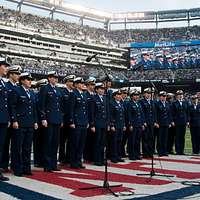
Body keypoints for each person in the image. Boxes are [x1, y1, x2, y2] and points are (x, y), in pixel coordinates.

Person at [10, 72, 38, 176]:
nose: (30, 81)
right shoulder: (16, 90)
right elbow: (12, 106)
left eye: (30, 80)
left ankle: (26, 168)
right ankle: (17, 168)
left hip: (30, 123)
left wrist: (35, 121)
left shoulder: (31, 92)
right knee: (18, 147)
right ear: (22, 80)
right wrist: (14, 120)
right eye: (28, 79)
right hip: (20, 123)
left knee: (27, 147)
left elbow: (34, 108)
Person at [38, 71, 63, 172]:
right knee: (47, 142)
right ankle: (47, 165)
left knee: (55, 143)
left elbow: (59, 106)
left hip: (56, 119)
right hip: (48, 119)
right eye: (53, 77)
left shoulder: (58, 89)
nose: (55, 79)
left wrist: (60, 119)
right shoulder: (45, 88)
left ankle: (53, 164)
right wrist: (43, 118)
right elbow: (41, 105)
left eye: (56, 78)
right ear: (49, 78)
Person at [0, 65, 21, 172]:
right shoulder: (6, 86)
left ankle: (13, 164)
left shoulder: (17, 88)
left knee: (15, 144)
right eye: (16, 74)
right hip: (6, 118)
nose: (18, 76)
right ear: (11, 74)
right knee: (4, 144)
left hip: (14, 119)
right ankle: (3, 165)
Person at [68, 77, 88, 169]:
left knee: (81, 143)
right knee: (75, 143)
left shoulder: (83, 94)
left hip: (83, 121)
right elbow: (71, 109)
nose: (82, 84)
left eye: (82, 83)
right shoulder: (73, 94)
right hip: (76, 122)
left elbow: (85, 110)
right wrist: (71, 121)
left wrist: (87, 121)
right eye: (80, 83)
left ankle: (79, 160)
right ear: (76, 85)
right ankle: (73, 161)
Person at [59, 75, 76, 165]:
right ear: (67, 82)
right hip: (64, 120)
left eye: (73, 82)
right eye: (71, 81)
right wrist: (61, 120)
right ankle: (62, 158)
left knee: (71, 140)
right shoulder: (62, 92)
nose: (73, 83)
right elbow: (61, 108)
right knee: (62, 141)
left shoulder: (73, 93)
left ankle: (69, 158)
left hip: (71, 120)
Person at [92, 83, 109, 166]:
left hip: (104, 124)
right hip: (97, 123)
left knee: (103, 143)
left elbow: (107, 112)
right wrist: (93, 125)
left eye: (103, 89)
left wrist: (108, 123)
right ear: (96, 90)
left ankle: (102, 159)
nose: (102, 90)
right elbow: (92, 113)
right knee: (97, 142)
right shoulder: (94, 98)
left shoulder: (105, 99)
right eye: (100, 89)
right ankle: (97, 159)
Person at [140, 88, 158, 158]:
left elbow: (154, 113)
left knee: (151, 138)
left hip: (151, 123)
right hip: (146, 123)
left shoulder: (152, 102)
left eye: (150, 93)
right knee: (145, 138)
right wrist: (143, 122)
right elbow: (142, 113)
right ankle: (145, 153)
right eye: (147, 93)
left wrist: (155, 121)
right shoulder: (142, 102)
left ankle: (150, 152)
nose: (149, 95)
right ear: (144, 94)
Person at [127, 90, 145, 160]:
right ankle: (132, 155)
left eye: (137, 95)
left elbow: (142, 114)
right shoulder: (130, 104)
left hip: (139, 124)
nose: (136, 96)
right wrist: (130, 124)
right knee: (132, 140)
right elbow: (129, 115)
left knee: (137, 140)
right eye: (135, 95)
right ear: (131, 97)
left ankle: (137, 154)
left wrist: (142, 123)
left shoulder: (139, 104)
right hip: (133, 125)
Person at [0, 57, 10, 181]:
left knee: (1, 145)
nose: (6, 68)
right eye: (4, 66)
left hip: (2, 119)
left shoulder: (2, 82)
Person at [109, 90, 126, 163]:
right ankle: (113, 156)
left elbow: (123, 115)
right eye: (117, 95)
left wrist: (124, 124)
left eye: (120, 95)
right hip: (115, 125)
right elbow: (111, 115)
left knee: (120, 141)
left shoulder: (121, 103)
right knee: (114, 142)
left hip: (121, 125)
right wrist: (112, 125)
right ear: (114, 96)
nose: (119, 96)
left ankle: (119, 156)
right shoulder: (112, 103)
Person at [172, 90, 189, 155]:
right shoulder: (174, 103)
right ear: (177, 96)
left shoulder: (186, 102)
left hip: (184, 122)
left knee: (182, 137)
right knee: (177, 136)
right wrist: (173, 121)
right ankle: (177, 150)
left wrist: (187, 121)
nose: (180, 96)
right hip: (177, 122)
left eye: (181, 94)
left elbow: (187, 112)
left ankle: (182, 150)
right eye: (179, 94)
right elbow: (172, 113)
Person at [155, 91, 172, 157]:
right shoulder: (157, 104)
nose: (164, 98)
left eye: (165, 96)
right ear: (160, 97)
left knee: (165, 138)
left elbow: (169, 114)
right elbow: (155, 114)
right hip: (160, 123)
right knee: (159, 138)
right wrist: (156, 122)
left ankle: (164, 151)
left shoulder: (167, 104)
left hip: (166, 123)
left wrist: (170, 122)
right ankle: (160, 151)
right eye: (162, 96)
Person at [83, 77, 96, 162]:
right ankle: (86, 156)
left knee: (93, 140)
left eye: (94, 84)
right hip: (87, 120)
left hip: (94, 121)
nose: (93, 86)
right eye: (91, 84)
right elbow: (86, 110)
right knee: (86, 140)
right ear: (87, 85)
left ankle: (91, 156)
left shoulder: (94, 95)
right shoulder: (85, 94)